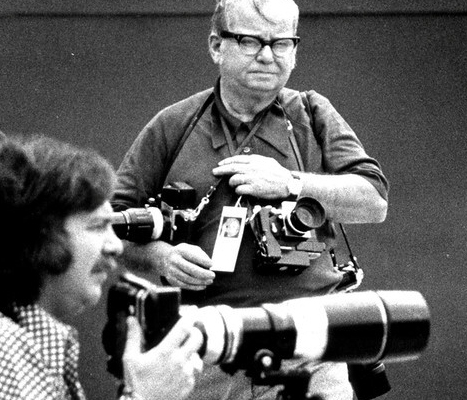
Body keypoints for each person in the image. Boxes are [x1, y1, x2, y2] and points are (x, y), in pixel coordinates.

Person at [112, 0, 389, 398]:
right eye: (249, 40)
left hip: (309, 342)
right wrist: (160, 257)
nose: (267, 55)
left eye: (281, 43)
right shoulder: (174, 125)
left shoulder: (311, 113)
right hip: (207, 347)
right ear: (216, 46)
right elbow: (109, 227)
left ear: (295, 50)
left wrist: (291, 184)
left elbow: (374, 199)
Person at [0, 135, 203, 400]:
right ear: (39, 234)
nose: (116, 246)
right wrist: (146, 395)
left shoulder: (24, 341)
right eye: (98, 226)